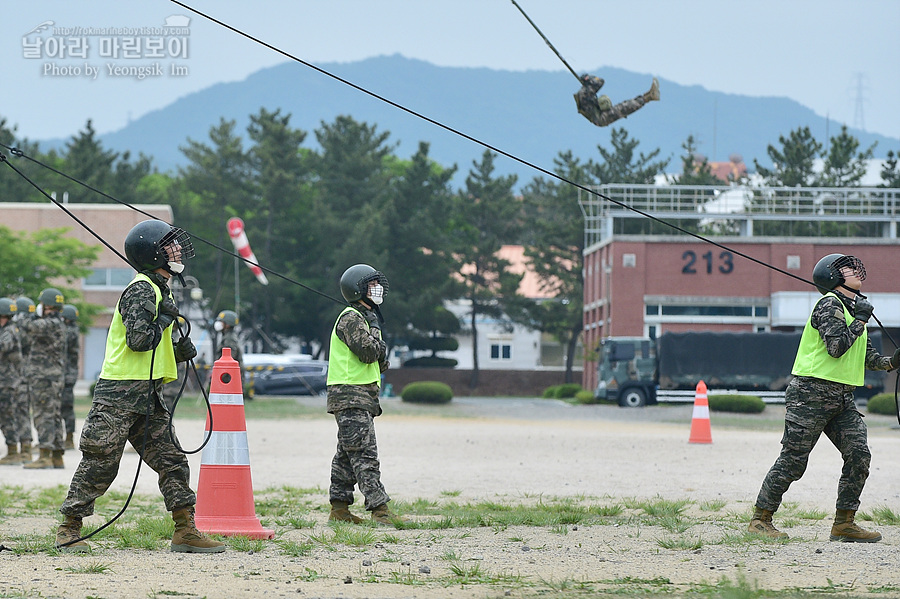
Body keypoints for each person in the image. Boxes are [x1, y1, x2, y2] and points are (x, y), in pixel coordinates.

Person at [56, 219, 225, 554]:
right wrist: (164, 319)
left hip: (148, 393)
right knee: (101, 462)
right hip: (119, 394)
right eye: (169, 245)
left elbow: (152, 347)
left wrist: (178, 351)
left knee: (172, 460)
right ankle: (68, 528)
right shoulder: (142, 289)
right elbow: (138, 342)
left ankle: (185, 530)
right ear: (153, 254)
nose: (177, 250)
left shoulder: (160, 289)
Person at [749, 254, 899, 542]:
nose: (856, 269)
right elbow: (836, 347)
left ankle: (844, 524)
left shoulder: (852, 308)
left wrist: (891, 362)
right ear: (833, 277)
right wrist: (861, 320)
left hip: (842, 397)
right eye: (847, 267)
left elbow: (866, 357)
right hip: (811, 394)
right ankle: (761, 519)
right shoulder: (829, 304)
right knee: (794, 461)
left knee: (859, 456)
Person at [326, 264, 403, 527]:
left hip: (361, 396)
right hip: (350, 395)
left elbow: (378, 362)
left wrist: (377, 341)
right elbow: (369, 352)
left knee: (346, 455)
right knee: (364, 453)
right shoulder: (351, 318)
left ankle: (339, 509)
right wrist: (378, 343)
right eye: (372, 285)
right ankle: (380, 510)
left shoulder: (367, 320)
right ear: (358, 289)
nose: (378, 289)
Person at [22, 288, 67, 470]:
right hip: (51, 376)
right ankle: (56, 456)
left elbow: (30, 327)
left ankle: (44, 455)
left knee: (43, 415)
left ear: (47, 306)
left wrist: (24, 314)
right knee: (53, 414)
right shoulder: (57, 322)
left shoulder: (51, 323)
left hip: (44, 377)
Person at [574, 74, 659, 127]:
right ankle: (649, 97)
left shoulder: (584, 93)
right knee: (623, 108)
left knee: (624, 105)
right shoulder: (585, 93)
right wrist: (589, 78)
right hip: (601, 118)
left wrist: (587, 81)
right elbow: (600, 81)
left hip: (599, 115)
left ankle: (647, 95)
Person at [0, 298, 24, 465]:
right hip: (5, 381)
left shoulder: (9, 330)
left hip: (7, 383)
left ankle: (13, 452)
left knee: (7, 416)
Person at [11, 297, 35, 461]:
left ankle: (25, 448)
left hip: (22, 376)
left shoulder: (23, 327)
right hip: (23, 375)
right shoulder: (33, 324)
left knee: (21, 410)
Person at [60, 304, 80, 450]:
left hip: (67, 375)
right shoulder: (71, 330)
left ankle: (69, 437)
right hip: (66, 373)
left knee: (66, 407)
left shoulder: (70, 331)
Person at [214, 309, 244, 382]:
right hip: (228, 376)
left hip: (229, 378)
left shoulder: (229, 338)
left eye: (221, 321)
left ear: (227, 324)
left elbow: (229, 360)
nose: (219, 323)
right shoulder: (227, 336)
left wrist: (219, 377)